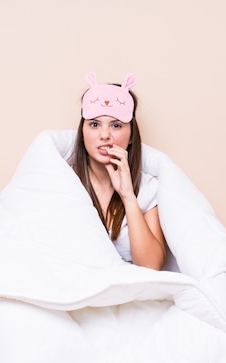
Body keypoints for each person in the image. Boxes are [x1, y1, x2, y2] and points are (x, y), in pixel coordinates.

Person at [70, 72, 166, 270]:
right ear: (82, 132)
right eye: (95, 124)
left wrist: (128, 196)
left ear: (131, 135)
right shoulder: (65, 179)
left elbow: (151, 267)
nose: (105, 135)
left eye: (116, 125)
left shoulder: (148, 188)